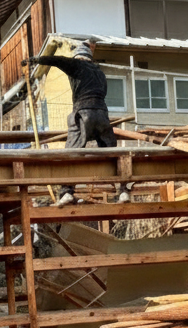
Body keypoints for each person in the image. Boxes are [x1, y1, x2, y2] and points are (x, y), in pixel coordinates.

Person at [22, 39, 129, 205]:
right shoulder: (100, 73)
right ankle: (123, 191)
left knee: (70, 154)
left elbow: (57, 60)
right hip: (102, 116)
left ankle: (67, 192)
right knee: (112, 153)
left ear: (78, 57)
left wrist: (34, 60)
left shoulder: (76, 65)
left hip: (82, 114)